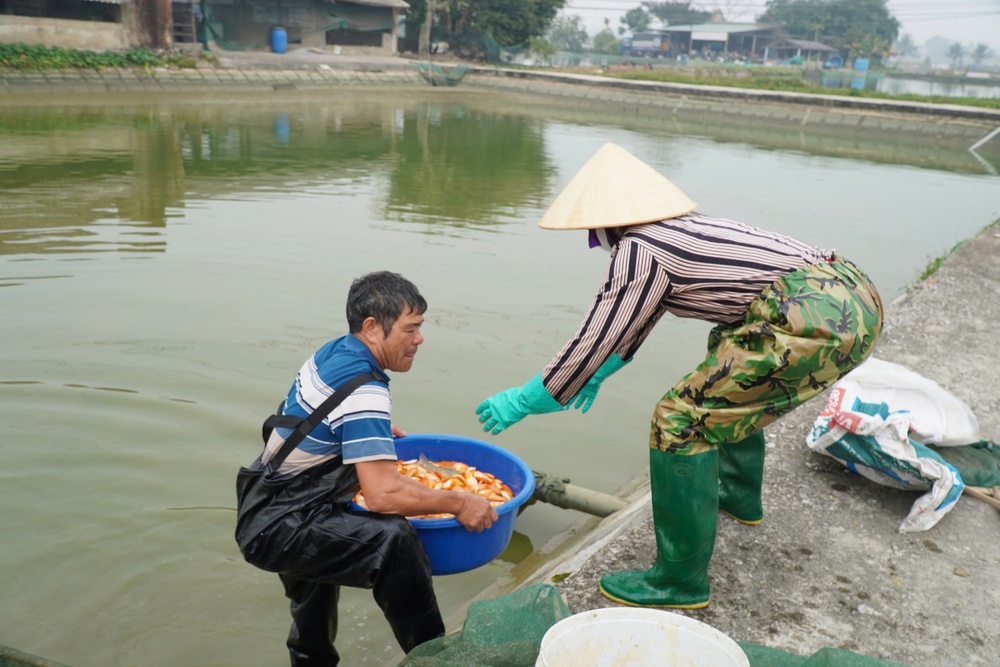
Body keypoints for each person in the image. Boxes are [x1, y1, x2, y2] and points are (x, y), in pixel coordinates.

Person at [474, 143, 883, 609]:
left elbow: (595, 335)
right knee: (728, 370)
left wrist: (530, 397)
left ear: (605, 222)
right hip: (849, 292)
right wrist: (598, 373)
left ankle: (679, 581)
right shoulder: (682, 230)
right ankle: (737, 495)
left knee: (679, 420)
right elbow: (635, 320)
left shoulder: (640, 249)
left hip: (819, 317)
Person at [236, 271, 498, 665]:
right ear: (372, 327)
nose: (419, 339)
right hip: (283, 525)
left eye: (420, 328)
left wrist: (364, 430)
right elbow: (381, 494)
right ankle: (437, 661)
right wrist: (460, 503)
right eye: (411, 329)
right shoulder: (366, 390)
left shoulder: (334, 353)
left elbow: (307, 418)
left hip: (265, 506)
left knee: (315, 590)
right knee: (394, 542)